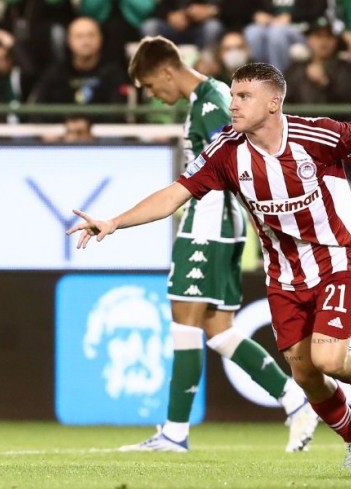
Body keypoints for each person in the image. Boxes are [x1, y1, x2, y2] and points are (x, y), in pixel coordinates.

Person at [67, 62, 351, 469]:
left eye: (244, 96)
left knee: (330, 360)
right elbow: (174, 194)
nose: (234, 104)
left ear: (274, 103)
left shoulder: (316, 135)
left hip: (339, 258)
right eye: (232, 95)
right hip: (284, 273)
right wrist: (114, 222)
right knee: (305, 374)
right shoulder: (226, 151)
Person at [114, 38, 319, 454]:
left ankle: (174, 432)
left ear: (167, 71)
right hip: (224, 223)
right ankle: (295, 400)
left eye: (151, 85)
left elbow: (230, 162)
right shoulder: (211, 97)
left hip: (207, 222)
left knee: (184, 320)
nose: (153, 95)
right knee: (218, 330)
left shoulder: (211, 105)